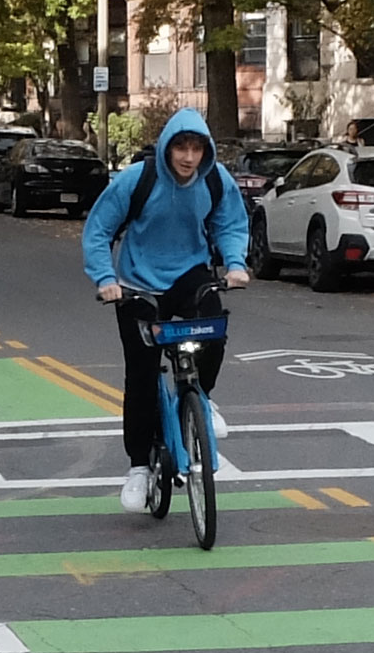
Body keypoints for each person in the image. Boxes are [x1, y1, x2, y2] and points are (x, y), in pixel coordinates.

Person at [80, 106, 250, 511]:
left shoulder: (214, 179)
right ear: (167, 149)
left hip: (188, 274)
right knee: (141, 377)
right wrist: (106, 279)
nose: (188, 157)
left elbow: (230, 223)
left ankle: (201, 403)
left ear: (205, 151)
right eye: (181, 148)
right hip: (137, 284)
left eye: (196, 148)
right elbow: (99, 228)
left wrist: (236, 264)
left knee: (213, 323)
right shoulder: (138, 179)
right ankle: (139, 467)